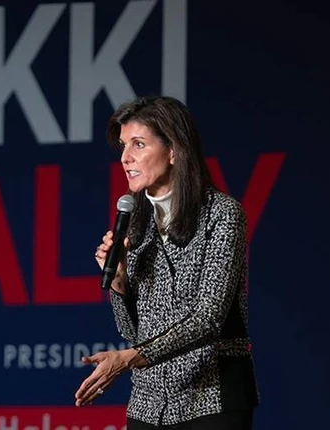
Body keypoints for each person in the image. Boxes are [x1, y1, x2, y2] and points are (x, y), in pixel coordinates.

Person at [73, 95, 259, 430]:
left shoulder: (221, 214)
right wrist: (120, 285)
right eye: (123, 146)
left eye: (139, 144)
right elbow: (134, 332)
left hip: (212, 397)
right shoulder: (135, 224)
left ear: (173, 150)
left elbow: (208, 319)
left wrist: (128, 359)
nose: (126, 158)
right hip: (149, 404)